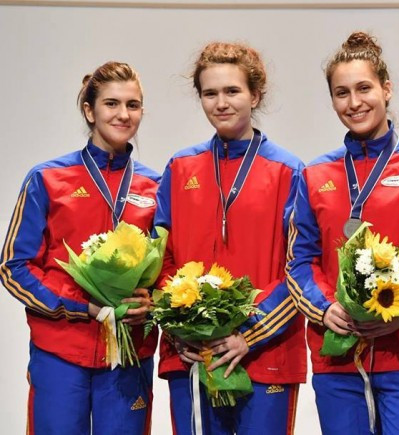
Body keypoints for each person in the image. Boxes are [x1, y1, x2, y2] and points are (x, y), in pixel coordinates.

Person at [286, 32, 399, 435]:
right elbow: (299, 261)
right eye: (341, 93)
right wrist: (325, 308)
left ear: (386, 89)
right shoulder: (314, 175)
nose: (354, 102)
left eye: (364, 88)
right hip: (338, 359)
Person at [154, 41, 306, 435]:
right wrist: (181, 325)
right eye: (210, 93)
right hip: (192, 353)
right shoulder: (180, 167)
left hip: (267, 353)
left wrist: (249, 333)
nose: (221, 103)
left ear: (255, 95)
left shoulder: (289, 171)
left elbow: (300, 266)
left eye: (232, 91)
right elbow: (160, 259)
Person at [0, 61, 159, 434]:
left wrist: (150, 302)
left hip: (129, 353)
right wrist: (80, 306)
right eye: (111, 103)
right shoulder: (47, 178)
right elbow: (14, 267)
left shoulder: (156, 185)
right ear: (89, 111)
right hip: (61, 351)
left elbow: (168, 267)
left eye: (133, 105)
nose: (123, 114)